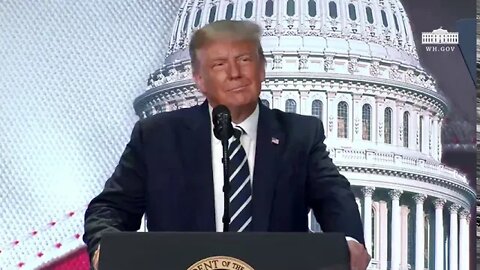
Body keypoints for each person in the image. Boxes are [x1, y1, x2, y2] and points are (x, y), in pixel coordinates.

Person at [83, 20, 370, 270]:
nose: (235, 73)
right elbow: (110, 208)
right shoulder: (157, 136)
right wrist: (103, 249)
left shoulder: (299, 135)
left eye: (245, 60)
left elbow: (334, 196)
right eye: (219, 64)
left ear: (262, 69)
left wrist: (349, 241)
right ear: (199, 79)